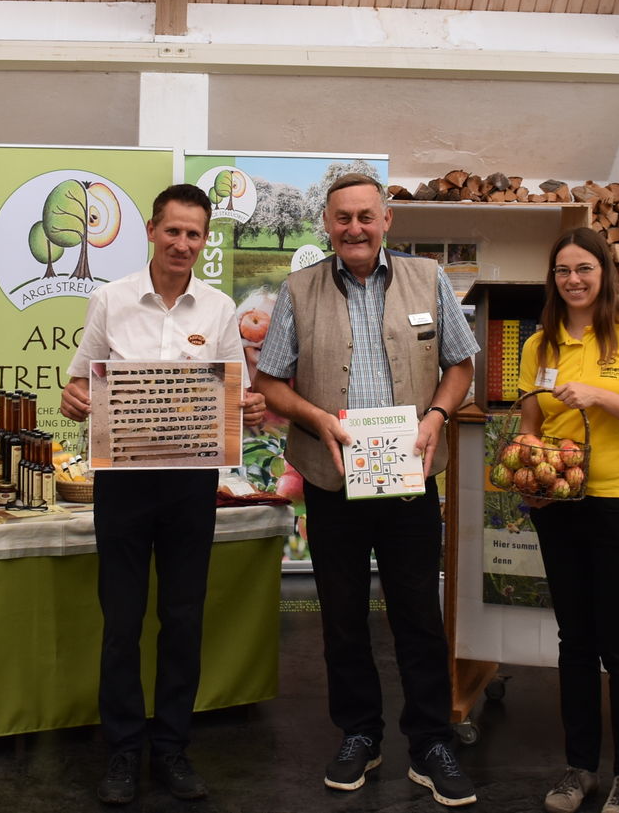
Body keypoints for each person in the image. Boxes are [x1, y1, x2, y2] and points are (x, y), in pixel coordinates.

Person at [254, 173, 480, 807]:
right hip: (332, 479)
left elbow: (461, 365)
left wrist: (436, 416)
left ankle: (431, 742)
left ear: (387, 222)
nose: (354, 228)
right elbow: (271, 381)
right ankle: (359, 733)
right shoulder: (298, 290)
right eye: (341, 218)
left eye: (365, 216)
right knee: (344, 617)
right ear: (326, 226)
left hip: (408, 480)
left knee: (418, 616)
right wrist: (316, 417)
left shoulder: (427, 279)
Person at [61, 183, 267, 805]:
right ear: (151, 231)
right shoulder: (111, 299)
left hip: (189, 487)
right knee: (122, 622)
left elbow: (238, 394)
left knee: (181, 619)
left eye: (194, 234)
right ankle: (123, 752)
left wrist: (250, 409)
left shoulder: (219, 310)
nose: (182, 243)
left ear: (205, 241)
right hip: (122, 485)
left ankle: (173, 749)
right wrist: (75, 399)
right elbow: (79, 387)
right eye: (173, 231)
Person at [514, 226, 619, 813]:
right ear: (552, 279)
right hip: (561, 509)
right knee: (575, 643)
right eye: (563, 271)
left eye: (584, 268)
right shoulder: (540, 345)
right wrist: (530, 470)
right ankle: (578, 767)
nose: (574, 280)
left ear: (604, 274)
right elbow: (531, 422)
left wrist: (602, 396)